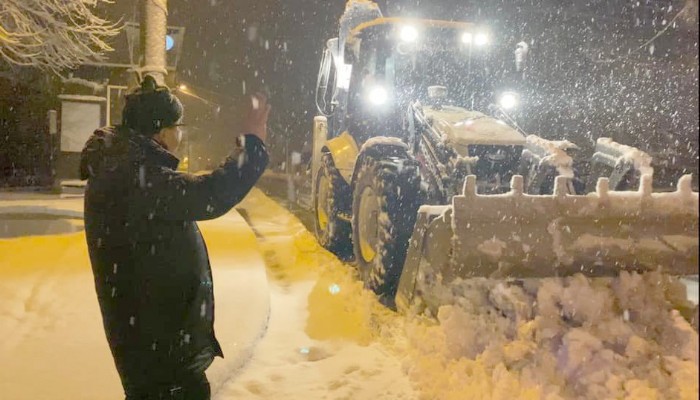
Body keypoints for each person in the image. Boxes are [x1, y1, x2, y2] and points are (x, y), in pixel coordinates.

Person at [79, 75, 270, 400]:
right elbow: (208, 195)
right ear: (161, 131)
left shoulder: (125, 168)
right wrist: (251, 148)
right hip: (160, 355)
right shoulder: (133, 177)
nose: (181, 133)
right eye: (178, 125)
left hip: (155, 344)